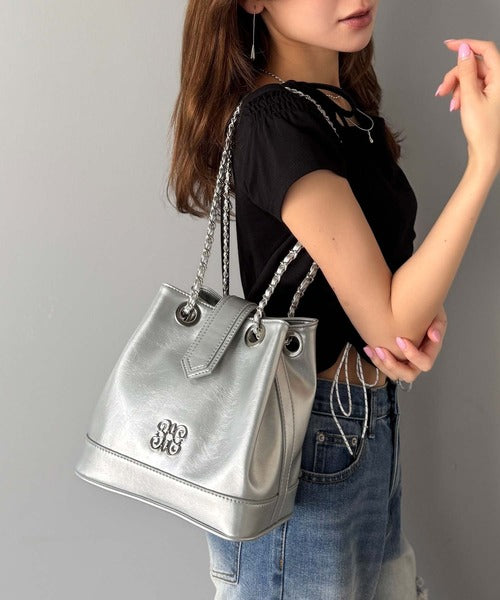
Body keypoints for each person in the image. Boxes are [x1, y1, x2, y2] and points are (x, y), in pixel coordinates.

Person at [166, 1, 500, 598]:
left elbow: (382, 297)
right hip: (310, 449)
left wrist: (423, 315)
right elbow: (389, 320)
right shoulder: (274, 120)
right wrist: (484, 161)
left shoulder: (346, 112)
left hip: (365, 431)